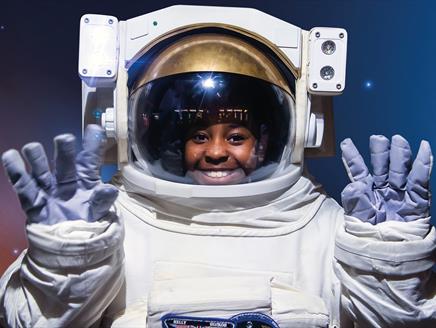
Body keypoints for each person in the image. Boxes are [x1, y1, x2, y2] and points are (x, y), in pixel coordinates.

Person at [1, 5, 435, 328]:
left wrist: (392, 259)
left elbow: (399, 322)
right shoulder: (108, 228)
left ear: (275, 139)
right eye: (199, 136)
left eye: (236, 137)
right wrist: (66, 260)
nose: (215, 152)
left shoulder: (328, 230)